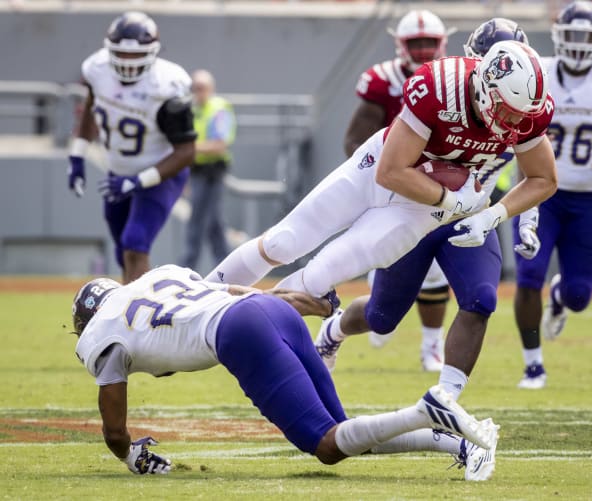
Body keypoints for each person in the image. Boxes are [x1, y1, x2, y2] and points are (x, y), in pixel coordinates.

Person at [205, 39, 557, 325]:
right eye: (508, 110)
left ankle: (245, 326)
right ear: (484, 87)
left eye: (523, 114)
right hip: (384, 171)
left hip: (421, 208)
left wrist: (492, 215)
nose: (516, 123)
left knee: (319, 277)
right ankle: (199, 299)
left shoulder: (528, 115)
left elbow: (544, 178)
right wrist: (453, 203)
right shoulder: (440, 86)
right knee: (285, 241)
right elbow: (390, 171)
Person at [70, 265, 499, 480]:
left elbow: (113, 429)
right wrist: (304, 304)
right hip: (266, 308)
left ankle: (426, 411)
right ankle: (454, 445)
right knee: (348, 434)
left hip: (238, 332)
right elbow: (238, 293)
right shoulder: (156, 279)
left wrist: (130, 456)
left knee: (327, 447)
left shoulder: (104, 333)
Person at [312, 19, 541, 410]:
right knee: (381, 317)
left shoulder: (524, 102)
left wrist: (520, 217)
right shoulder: (442, 89)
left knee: (482, 298)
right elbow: (389, 164)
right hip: (415, 206)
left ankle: (444, 399)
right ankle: (332, 330)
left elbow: (538, 172)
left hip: (472, 211)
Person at [513, 1, 592, 390]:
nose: (579, 44)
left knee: (579, 296)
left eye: (587, 37)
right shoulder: (539, 73)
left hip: (589, 198)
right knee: (527, 275)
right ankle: (533, 365)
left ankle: (559, 296)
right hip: (541, 192)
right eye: (572, 35)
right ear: (557, 35)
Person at [344, 9, 455, 371]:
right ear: (400, 45)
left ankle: (431, 347)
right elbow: (355, 140)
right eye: (415, 43)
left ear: (442, 44)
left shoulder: (456, 79)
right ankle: (379, 301)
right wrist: (386, 179)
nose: (423, 51)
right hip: (393, 182)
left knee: (437, 269)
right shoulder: (383, 81)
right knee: (386, 253)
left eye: (428, 43)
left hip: (439, 183)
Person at [67, 11, 197, 284]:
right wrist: (77, 155)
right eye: (121, 54)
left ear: (153, 53)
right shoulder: (97, 70)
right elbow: (92, 107)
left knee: (135, 243)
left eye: (135, 55)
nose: (127, 62)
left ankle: (139, 321)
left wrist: (138, 181)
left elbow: (187, 152)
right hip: (117, 173)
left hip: (160, 172)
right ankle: (132, 309)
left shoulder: (167, 84)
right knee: (121, 251)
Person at [179, 70, 237, 271]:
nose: (197, 92)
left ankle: (217, 267)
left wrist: (190, 148)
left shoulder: (218, 109)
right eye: (194, 88)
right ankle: (195, 268)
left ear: (211, 89)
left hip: (213, 173)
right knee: (203, 222)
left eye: (201, 88)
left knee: (210, 222)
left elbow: (219, 144)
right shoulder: (192, 110)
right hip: (196, 172)